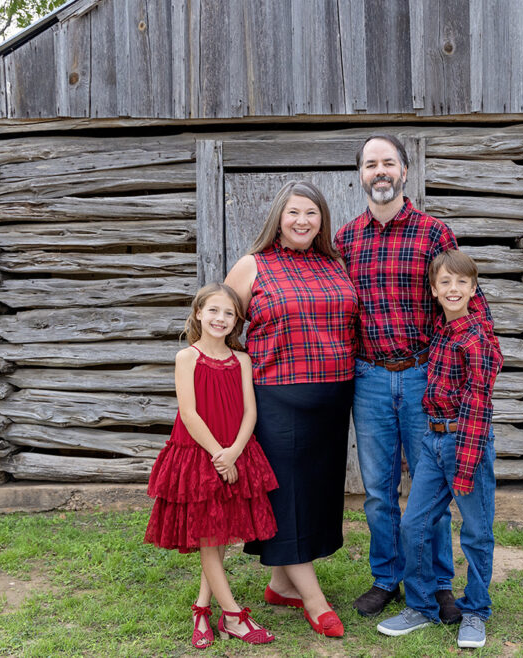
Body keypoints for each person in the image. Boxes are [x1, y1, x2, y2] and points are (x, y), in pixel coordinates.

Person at [334, 134, 493, 622]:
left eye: (388, 163)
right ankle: (386, 578)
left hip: (425, 373)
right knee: (380, 490)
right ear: (360, 175)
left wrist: (482, 351)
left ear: (405, 171)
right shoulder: (345, 239)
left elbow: (465, 294)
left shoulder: (433, 233)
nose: (379, 171)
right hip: (371, 377)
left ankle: (438, 583)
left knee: (432, 486)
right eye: (370, 164)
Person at [224, 180, 358, 638]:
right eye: (294, 212)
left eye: (312, 213)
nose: (303, 221)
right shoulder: (252, 266)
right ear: (278, 217)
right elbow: (223, 326)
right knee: (288, 498)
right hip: (277, 399)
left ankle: (282, 585)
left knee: (316, 495)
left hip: (334, 396)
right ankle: (314, 601)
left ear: (322, 220)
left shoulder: (335, 265)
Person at [377, 249, 502, 649]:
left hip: (466, 442)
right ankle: (421, 605)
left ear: (473, 289)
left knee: (476, 532)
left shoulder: (477, 338)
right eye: (445, 282)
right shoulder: (442, 330)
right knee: (414, 524)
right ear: (433, 289)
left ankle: (476, 611)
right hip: (431, 440)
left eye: (461, 282)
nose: (453, 289)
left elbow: (479, 404)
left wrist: (464, 464)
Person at [144, 283, 278, 648]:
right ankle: (233, 616)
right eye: (214, 311)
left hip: (236, 450)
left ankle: (202, 609)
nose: (220, 319)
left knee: (219, 532)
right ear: (199, 312)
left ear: (237, 321)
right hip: (198, 454)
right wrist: (219, 455)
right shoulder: (186, 357)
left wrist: (234, 451)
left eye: (229, 313)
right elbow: (188, 413)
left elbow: (251, 411)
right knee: (207, 535)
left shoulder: (242, 360)